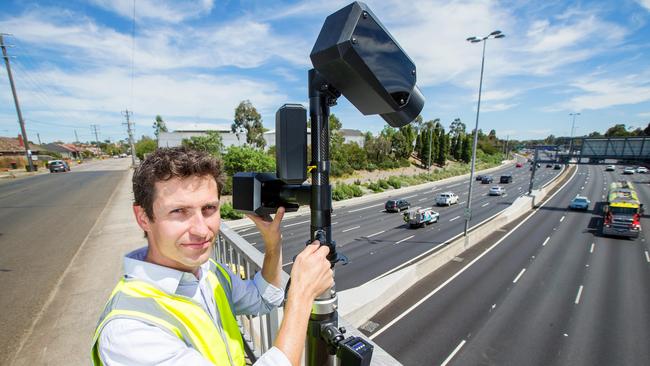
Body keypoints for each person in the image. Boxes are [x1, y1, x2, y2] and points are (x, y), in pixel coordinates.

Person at [91, 147, 333, 366]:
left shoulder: (208, 272)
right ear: (143, 217)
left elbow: (262, 299)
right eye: (179, 211)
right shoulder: (131, 331)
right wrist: (301, 297)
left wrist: (272, 244)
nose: (201, 229)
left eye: (209, 209)